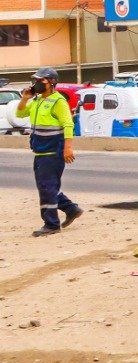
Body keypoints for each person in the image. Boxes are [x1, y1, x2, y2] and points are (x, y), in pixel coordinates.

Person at [15, 67, 82, 237]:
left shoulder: (58, 101)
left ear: (51, 82)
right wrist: (25, 98)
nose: (37, 84)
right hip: (40, 151)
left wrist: (68, 147)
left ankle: (51, 224)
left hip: (53, 151)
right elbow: (20, 113)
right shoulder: (37, 101)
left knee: (47, 187)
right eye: (35, 80)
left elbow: (68, 125)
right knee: (46, 186)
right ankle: (71, 209)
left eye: (41, 81)